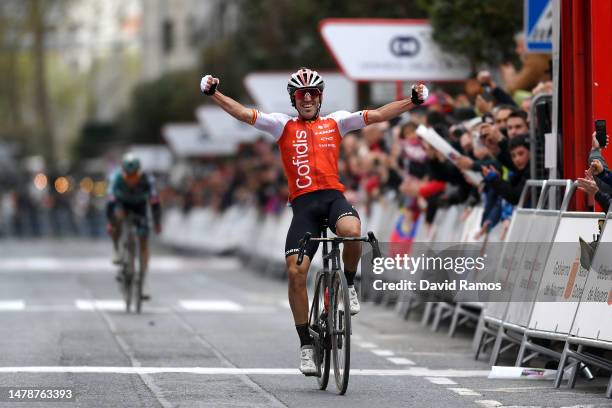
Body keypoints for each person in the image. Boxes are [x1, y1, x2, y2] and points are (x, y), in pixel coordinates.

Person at [199, 68, 428, 374]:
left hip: (333, 199)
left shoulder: (337, 121)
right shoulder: (281, 125)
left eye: (313, 94)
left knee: (352, 231)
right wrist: (213, 93)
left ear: (320, 97)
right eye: (301, 95)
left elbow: (377, 115)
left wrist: (411, 102)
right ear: (293, 100)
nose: (307, 99)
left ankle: (348, 285)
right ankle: (306, 345)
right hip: (304, 208)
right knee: (296, 273)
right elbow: (241, 113)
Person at [106, 153, 162, 300]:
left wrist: (157, 223)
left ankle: (143, 280)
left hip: (139, 206)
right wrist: (111, 223)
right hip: (122, 204)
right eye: (128, 176)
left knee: (144, 239)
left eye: (134, 176)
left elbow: (155, 203)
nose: (131, 180)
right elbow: (110, 203)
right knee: (117, 218)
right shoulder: (116, 178)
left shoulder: (147, 179)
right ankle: (117, 248)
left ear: (139, 172)